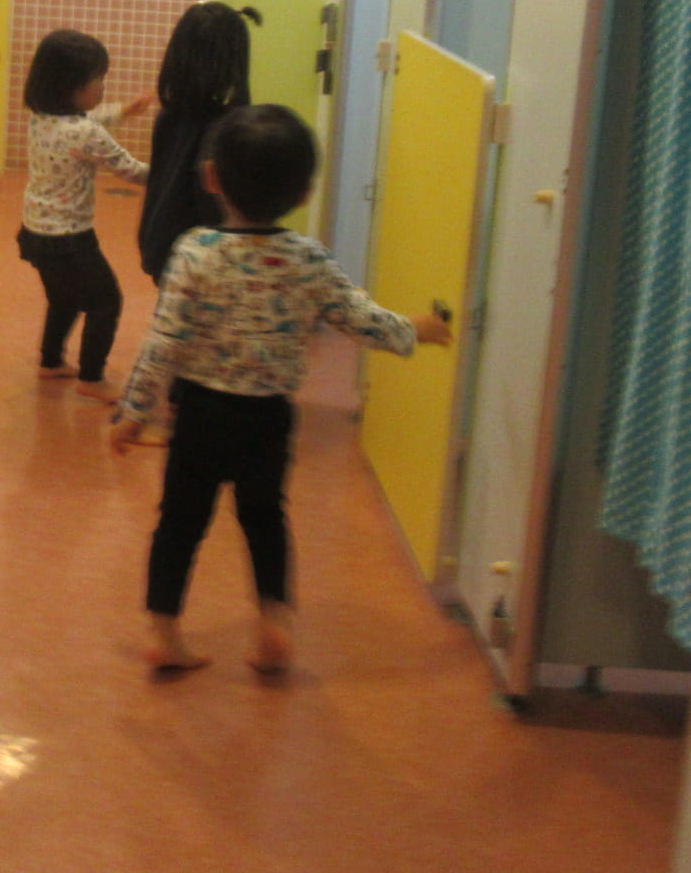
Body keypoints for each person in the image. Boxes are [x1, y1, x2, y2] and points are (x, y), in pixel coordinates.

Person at [110, 104, 453, 674]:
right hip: (267, 419)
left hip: (200, 414)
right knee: (266, 519)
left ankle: (164, 632)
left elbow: (163, 343)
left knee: (179, 524)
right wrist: (416, 328)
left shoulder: (193, 252)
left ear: (211, 177)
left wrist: (134, 411)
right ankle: (274, 621)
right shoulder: (307, 259)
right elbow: (358, 319)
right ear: (304, 193)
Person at [17, 29, 151, 401]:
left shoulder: (41, 117)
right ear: (71, 87)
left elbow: (89, 119)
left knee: (63, 299)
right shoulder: (86, 133)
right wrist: (172, 174)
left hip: (35, 233)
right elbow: (131, 170)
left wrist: (123, 111)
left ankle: (50, 361)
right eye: (99, 80)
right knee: (106, 302)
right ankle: (91, 379)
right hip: (70, 240)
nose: (103, 87)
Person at [136, 1, 251, 284]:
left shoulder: (170, 115)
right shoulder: (226, 126)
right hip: (203, 260)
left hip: (164, 245)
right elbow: (212, 203)